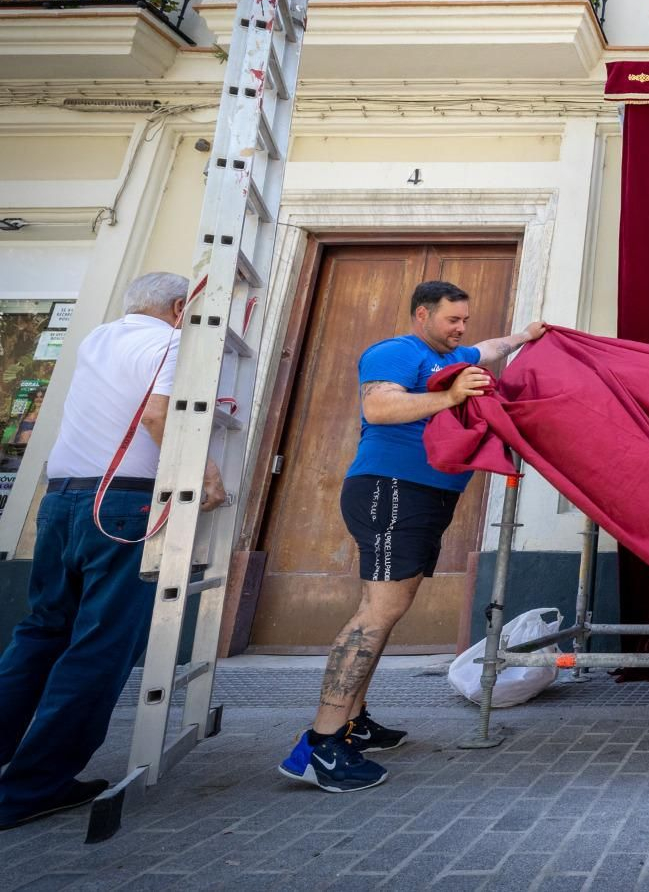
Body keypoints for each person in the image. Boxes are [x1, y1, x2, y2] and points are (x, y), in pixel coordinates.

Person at [279, 280, 544, 792]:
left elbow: (488, 350)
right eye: (452, 320)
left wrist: (523, 336)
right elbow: (379, 408)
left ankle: (352, 724)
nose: (461, 329)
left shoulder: (450, 350)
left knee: (385, 610)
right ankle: (321, 744)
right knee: (377, 613)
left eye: (465, 320)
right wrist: (449, 396)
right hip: (392, 488)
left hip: (422, 495)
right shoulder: (397, 351)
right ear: (423, 315)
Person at [0, 272, 227, 830]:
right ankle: (32, 788)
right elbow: (158, 415)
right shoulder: (174, 342)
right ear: (180, 307)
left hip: (62, 500)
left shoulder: (96, 339)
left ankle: (21, 768)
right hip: (120, 504)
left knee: (39, 634)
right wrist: (208, 475)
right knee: (100, 647)